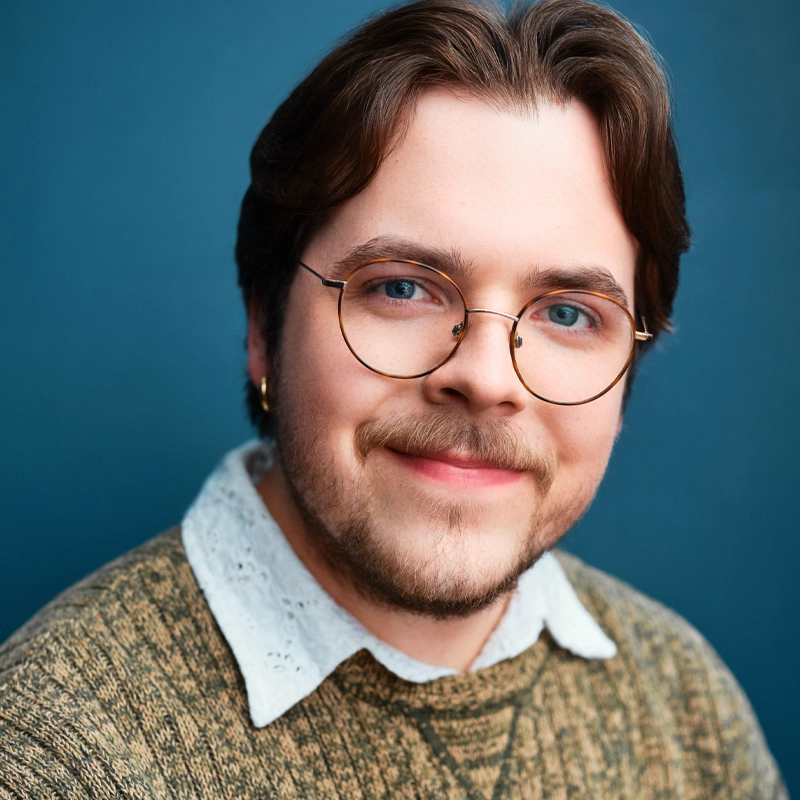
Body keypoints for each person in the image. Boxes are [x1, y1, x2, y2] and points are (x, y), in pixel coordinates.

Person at [0, 0, 786, 796]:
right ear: (262, 327)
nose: (485, 378)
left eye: (568, 313)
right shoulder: (55, 755)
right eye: (403, 288)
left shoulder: (689, 710)